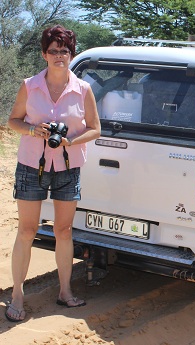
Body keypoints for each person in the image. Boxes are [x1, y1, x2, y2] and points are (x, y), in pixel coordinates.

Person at [5, 25, 101, 322]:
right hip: (31, 165)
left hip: (68, 167)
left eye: (65, 50)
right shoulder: (29, 86)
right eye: (54, 50)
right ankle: (17, 296)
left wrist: (71, 139)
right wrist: (34, 130)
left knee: (63, 231)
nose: (60, 56)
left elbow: (95, 129)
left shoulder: (83, 89)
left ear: (72, 54)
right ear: (44, 54)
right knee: (27, 230)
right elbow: (13, 121)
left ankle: (64, 292)